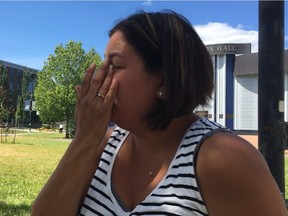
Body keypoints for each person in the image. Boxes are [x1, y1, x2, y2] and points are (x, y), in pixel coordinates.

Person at [31, 10, 288, 216]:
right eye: (102, 65)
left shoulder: (224, 158)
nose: (101, 76)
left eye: (116, 65)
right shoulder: (104, 145)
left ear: (165, 79)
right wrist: (85, 138)